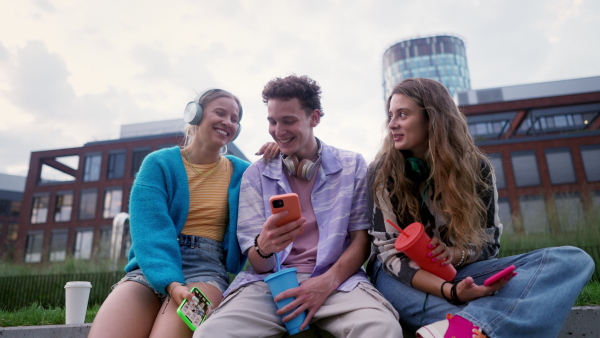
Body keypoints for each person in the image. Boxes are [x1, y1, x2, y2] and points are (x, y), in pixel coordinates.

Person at [366, 77, 595, 338]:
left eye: (403, 114)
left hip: (460, 271)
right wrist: (450, 291)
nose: (392, 123)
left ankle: (467, 325)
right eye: (391, 115)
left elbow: (489, 244)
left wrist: (454, 255)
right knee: (467, 323)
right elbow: (389, 255)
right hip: (399, 277)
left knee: (574, 260)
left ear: (432, 118)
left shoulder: (478, 170)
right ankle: (472, 325)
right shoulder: (382, 173)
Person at [194, 75, 402, 337]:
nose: (278, 131)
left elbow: (361, 242)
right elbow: (258, 263)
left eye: (288, 121)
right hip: (269, 285)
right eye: (272, 121)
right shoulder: (256, 175)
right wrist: (264, 246)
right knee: (209, 333)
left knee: (383, 328)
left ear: (314, 118)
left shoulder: (352, 166)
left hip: (338, 283)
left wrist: (326, 282)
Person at [89, 89, 279, 338]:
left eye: (234, 119)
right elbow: (149, 232)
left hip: (207, 274)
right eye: (220, 113)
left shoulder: (245, 173)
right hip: (148, 270)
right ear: (195, 114)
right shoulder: (157, 164)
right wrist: (172, 284)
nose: (228, 122)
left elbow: (280, 189)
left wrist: (280, 154)